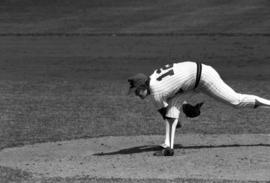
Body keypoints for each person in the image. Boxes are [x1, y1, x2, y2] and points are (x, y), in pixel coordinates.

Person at [127, 61, 270, 156]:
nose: (136, 94)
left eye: (137, 91)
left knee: (236, 101)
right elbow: (173, 91)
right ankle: (168, 147)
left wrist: (185, 110)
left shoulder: (156, 92)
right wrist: (186, 107)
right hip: (192, 81)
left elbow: (169, 115)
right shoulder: (153, 79)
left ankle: (168, 148)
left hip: (204, 77)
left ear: (144, 86)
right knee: (172, 109)